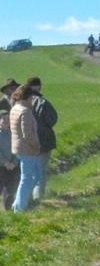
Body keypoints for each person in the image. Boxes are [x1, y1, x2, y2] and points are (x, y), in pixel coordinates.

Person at [9, 82, 44, 212]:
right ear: (28, 97)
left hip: (19, 148)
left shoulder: (15, 108)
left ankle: (18, 203)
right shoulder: (25, 112)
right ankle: (19, 207)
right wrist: (37, 145)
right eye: (32, 98)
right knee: (29, 178)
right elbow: (28, 134)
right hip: (27, 149)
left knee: (33, 176)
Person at [25, 76, 57, 200]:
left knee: (27, 173)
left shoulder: (18, 102)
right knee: (40, 172)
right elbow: (52, 119)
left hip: (24, 144)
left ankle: (24, 198)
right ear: (38, 87)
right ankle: (38, 198)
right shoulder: (42, 102)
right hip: (43, 143)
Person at [0, 78, 17, 211]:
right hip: (3, 139)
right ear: (6, 90)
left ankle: (9, 202)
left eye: (14, 88)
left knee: (11, 181)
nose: (12, 90)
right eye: (10, 88)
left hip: (13, 142)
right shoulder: (2, 103)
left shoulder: (16, 102)